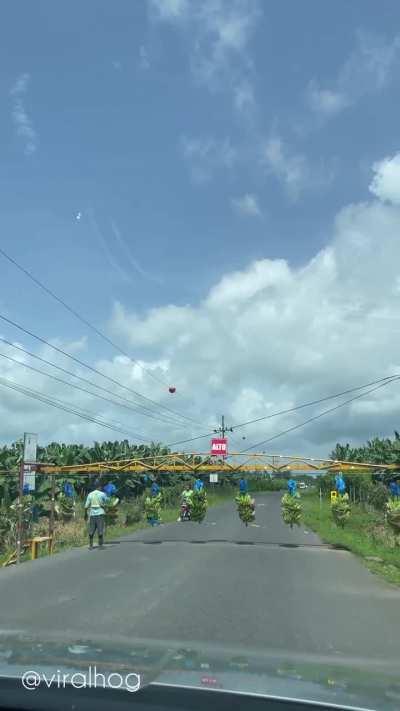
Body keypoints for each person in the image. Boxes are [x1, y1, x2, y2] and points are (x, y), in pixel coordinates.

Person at [85, 479, 107, 549]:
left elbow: (86, 506)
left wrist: (85, 514)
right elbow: (107, 501)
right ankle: (100, 545)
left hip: (92, 514)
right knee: (100, 529)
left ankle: (91, 545)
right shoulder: (102, 494)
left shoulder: (90, 494)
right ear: (99, 487)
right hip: (100, 513)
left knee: (91, 530)